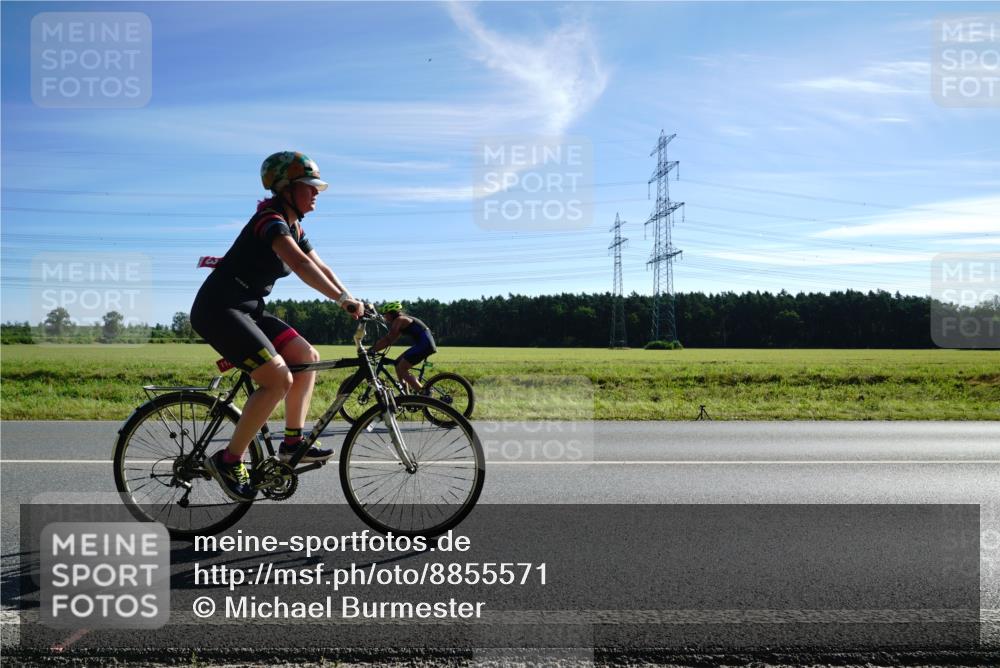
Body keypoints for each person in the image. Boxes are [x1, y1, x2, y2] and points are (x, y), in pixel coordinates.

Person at [190, 151, 363, 501]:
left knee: (306, 355)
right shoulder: (269, 220)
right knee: (277, 379)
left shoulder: (295, 225)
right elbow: (298, 263)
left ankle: (291, 443)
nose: (316, 193)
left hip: (249, 309)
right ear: (285, 188)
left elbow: (321, 266)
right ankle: (228, 459)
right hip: (219, 309)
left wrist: (350, 296)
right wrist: (339, 300)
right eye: (309, 187)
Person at [369, 302, 438, 392]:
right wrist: (375, 348)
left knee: (402, 368)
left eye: (385, 314)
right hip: (423, 345)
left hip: (424, 345)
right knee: (397, 363)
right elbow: (392, 339)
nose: (384, 317)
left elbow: (388, 339)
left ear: (392, 313)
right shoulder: (402, 320)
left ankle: (424, 393)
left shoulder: (399, 320)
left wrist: (372, 349)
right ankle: (405, 392)